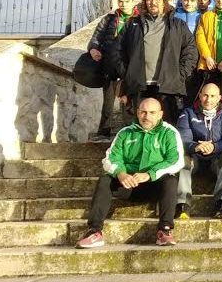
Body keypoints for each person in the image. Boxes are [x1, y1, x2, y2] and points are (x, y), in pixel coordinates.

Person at [75, 97, 182, 248]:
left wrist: (149, 174)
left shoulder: (169, 133)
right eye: (143, 112)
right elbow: (111, 158)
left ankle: (164, 230)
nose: (147, 116)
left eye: (152, 113)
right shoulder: (125, 133)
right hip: (128, 185)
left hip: (154, 186)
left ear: (160, 114)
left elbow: (175, 161)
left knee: (171, 181)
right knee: (105, 180)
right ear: (138, 113)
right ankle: (94, 231)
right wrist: (121, 173)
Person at [115, 0, 197, 124]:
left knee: (166, 126)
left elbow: (191, 51)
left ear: (164, 2)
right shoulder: (133, 24)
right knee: (140, 125)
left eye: (157, 0)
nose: (153, 3)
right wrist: (127, 73)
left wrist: (179, 75)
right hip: (139, 85)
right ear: (145, 3)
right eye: (149, 0)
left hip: (167, 86)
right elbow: (117, 50)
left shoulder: (177, 25)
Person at [175, 83, 222, 219]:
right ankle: (183, 204)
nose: (208, 100)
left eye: (213, 96)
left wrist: (214, 147)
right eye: (205, 95)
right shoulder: (188, 112)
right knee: (182, 159)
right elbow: (182, 138)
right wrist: (195, 146)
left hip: (217, 155)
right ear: (200, 95)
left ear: (219, 98)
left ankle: (220, 201)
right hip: (195, 155)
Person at [87, 0, 136, 138]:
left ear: (133, 2)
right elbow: (96, 38)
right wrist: (93, 49)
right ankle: (103, 132)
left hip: (129, 66)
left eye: (127, 1)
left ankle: (130, 132)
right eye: (120, 1)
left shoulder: (139, 20)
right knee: (108, 102)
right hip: (109, 65)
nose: (123, 4)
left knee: (128, 102)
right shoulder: (108, 19)